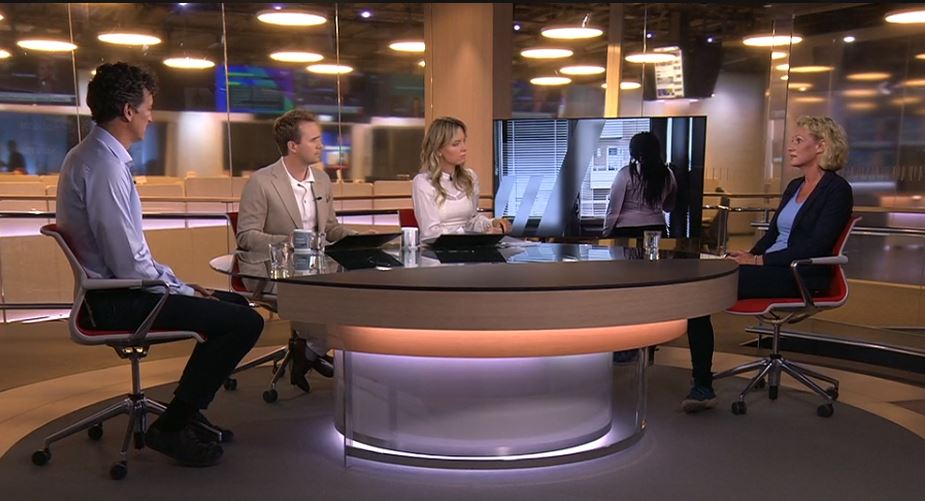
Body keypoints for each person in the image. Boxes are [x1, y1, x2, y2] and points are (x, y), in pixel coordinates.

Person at [56, 62, 264, 467]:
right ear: (128, 111)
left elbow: (132, 257)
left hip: (120, 291)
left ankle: (187, 411)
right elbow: (129, 264)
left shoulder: (94, 156)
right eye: (148, 108)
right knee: (245, 322)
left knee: (236, 306)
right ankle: (172, 426)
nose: (151, 116)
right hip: (118, 301)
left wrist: (180, 284)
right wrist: (182, 289)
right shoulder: (104, 167)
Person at [682, 116, 853, 413]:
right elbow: (773, 235)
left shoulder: (837, 190)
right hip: (770, 267)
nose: (790, 147)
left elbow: (816, 246)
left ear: (821, 146)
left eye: (798, 140)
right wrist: (747, 255)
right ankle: (702, 383)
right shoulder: (795, 186)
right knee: (701, 284)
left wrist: (759, 260)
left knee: (702, 292)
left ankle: (702, 387)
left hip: (799, 274)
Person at [236, 109, 356, 392]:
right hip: (274, 270)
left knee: (357, 292)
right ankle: (312, 348)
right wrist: (287, 240)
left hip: (316, 270)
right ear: (293, 145)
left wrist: (356, 238)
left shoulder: (322, 180)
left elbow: (330, 228)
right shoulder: (262, 182)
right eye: (314, 140)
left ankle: (310, 349)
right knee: (327, 297)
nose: (321, 145)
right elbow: (246, 236)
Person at [412, 116, 511, 241]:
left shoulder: (470, 177)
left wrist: (492, 224)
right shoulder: (423, 182)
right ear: (438, 150)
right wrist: (466, 234)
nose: (464, 148)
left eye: (464, 141)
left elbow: (472, 220)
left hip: (468, 247)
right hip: (437, 250)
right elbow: (430, 233)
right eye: (456, 144)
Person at [603, 132, 677, 238]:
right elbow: (668, 207)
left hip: (627, 230)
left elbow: (613, 210)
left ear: (634, 152)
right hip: (657, 229)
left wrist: (606, 234)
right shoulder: (668, 174)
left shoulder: (625, 173)